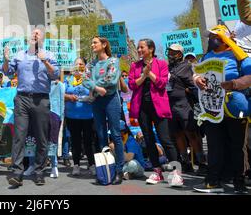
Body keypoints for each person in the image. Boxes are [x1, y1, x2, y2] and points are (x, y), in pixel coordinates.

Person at [193, 26, 251, 194]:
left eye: (214, 35)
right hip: (212, 107)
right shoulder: (207, 56)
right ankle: (213, 181)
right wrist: (197, 79)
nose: (211, 38)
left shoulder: (239, 55)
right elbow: (196, 73)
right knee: (214, 144)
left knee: (236, 145)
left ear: (224, 38)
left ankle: (239, 181)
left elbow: (249, 76)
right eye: (210, 36)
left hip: (234, 105)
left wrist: (234, 84)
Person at [3, 27, 60, 187]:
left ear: (42, 39)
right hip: (22, 99)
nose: (35, 35)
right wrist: (6, 60)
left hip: (41, 100)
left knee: (42, 136)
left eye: (38, 33)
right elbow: (8, 73)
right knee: (19, 135)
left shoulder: (49, 55)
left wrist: (45, 61)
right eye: (33, 33)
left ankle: (39, 171)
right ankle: (17, 172)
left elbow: (55, 75)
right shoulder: (19, 55)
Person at [128, 39, 181, 187]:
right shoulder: (134, 66)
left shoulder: (162, 64)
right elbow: (132, 85)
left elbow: (162, 83)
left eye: (142, 47)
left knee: (165, 139)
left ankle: (175, 172)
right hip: (142, 107)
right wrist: (143, 75)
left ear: (151, 49)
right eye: (138, 47)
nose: (139, 50)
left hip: (158, 106)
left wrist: (149, 72)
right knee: (148, 139)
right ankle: (157, 171)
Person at [82, 36, 124, 185]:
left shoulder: (113, 61)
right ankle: (106, 169)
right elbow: (84, 80)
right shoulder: (91, 64)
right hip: (97, 101)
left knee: (116, 134)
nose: (92, 45)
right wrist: (97, 88)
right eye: (92, 42)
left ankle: (119, 170)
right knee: (100, 135)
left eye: (95, 42)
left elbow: (112, 79)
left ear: (104, 44)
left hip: (111, 100)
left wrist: (94, 84)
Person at [166, 44, 205, 173]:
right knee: (177, 134)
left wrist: (189, 90)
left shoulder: (187, 66)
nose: (171, 54)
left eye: (174, 52)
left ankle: (201, 162)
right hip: (170, 106)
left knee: (191, 133)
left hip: (184, 104)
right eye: (169, 51)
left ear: (180, 54)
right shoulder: (167, 68)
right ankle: (185, 162)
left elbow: (194, 84)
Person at [64, 58, 95, 176]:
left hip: (88, 115)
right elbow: (62, 94)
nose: (79, 66)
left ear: (85, 66)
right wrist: (69, 97)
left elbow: (94, 94)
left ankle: (92, 164)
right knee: (75, 141)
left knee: (89, 141)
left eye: (81, 64)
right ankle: (76, 165)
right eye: (76, 64)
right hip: (72, 115)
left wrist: (90, 98)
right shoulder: (68, 79)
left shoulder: (89, 78)